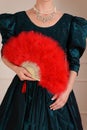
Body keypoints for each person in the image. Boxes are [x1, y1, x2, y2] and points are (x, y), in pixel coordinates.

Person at [0, 0, 87, 130]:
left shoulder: (70, 23)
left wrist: (66, 92)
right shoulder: (16, 20)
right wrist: (16, 69)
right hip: (23, 93)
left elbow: (74, 62)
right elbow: (6, 53)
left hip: (56, 93)